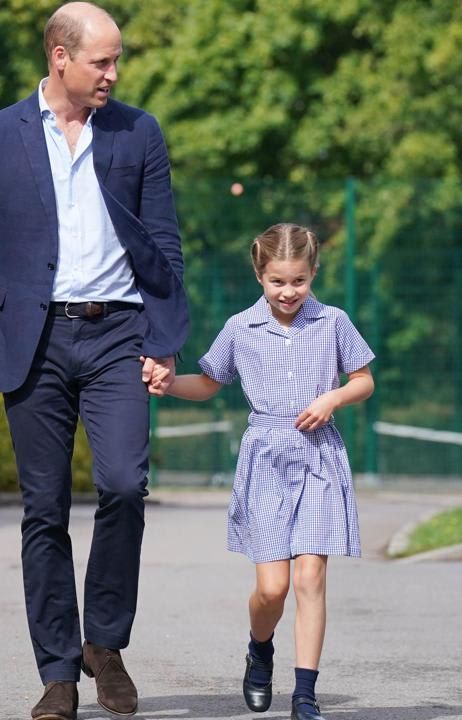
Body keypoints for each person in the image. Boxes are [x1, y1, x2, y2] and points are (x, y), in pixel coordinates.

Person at [0, 2, 189, 717]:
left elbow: (164, 242)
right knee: (43, 510)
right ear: (59, 56)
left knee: (121, 486)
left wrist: (164, 339)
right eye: (101, 61)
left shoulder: (139, 132)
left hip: (118, 334)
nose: (113, 73)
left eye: (117, 61)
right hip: (32, 341)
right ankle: (57, 670)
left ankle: (103, 643)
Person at [154, 223, 374, 720]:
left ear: (313, 273)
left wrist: (334, 396)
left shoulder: (333, 321)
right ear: (260, 275)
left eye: (299, 280)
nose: (289, 291)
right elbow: (209, 382)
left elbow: (363, 380)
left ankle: (304, 694)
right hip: (266, 460)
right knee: (272, 589)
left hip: (319, 455)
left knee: (310, 578)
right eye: (278, 281)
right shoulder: (240, 328)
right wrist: (165, 384)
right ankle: (259, 648)